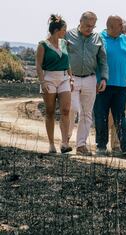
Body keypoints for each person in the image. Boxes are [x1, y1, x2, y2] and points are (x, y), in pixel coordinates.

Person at [93, 15, 126, 156]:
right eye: (120, 25)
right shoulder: (99, 38)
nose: (123, 27)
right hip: (103, 85)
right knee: (101, 116)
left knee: (121, 116)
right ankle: (101, 146)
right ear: (111, 26)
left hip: (121, 86)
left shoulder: (125, 40)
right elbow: (93, 59)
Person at [65, 11, 108, 156]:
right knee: (72, 108)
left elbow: (103, 60)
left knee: (86, 113)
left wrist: (103, 78)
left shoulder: (98, 38)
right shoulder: (68, 35)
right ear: (80, 22)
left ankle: (81, 145)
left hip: (90, 79)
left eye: (93, 26)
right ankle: (66, 138)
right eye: (87, 25)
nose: (90, 28)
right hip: (71, 78)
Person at [35, 14, 72, 154]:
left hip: (64, 78)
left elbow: (67, 62)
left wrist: (71, 77)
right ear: (57, 30)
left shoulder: (63, 43)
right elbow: (38, 65)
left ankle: (64, 143)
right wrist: (42, 81)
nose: (66, 32)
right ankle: (51, 144)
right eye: (64, 29)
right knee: (50, 111)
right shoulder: (42, 45)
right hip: (49, 78)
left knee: (66, 110)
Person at [107, 19, 126, 153]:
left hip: (123, 84)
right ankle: (105, 143)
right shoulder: (104, 38)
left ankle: (119, 145)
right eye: (123, 27)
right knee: (109, 117)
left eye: (125, 27)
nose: (125, 30)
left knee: (120, 115)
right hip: (107, 84)